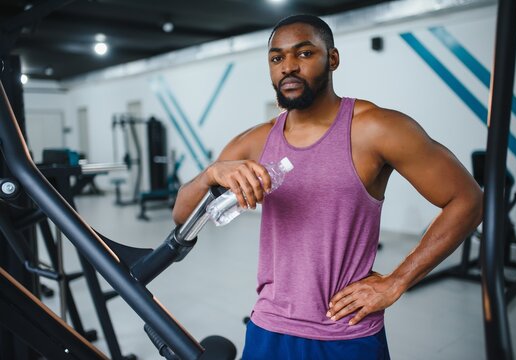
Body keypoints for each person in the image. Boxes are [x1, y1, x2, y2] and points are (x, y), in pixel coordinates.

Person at [172, 14, 483, 360]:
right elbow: (181, 215)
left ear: (332, 59)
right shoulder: (254, 142)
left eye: (303, 54)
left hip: (347, 332)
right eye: (277, 58)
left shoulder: (376, 128)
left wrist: (398, 280)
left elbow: (467, 199)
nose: (288, 67)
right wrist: (210, 174)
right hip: (269, 328)